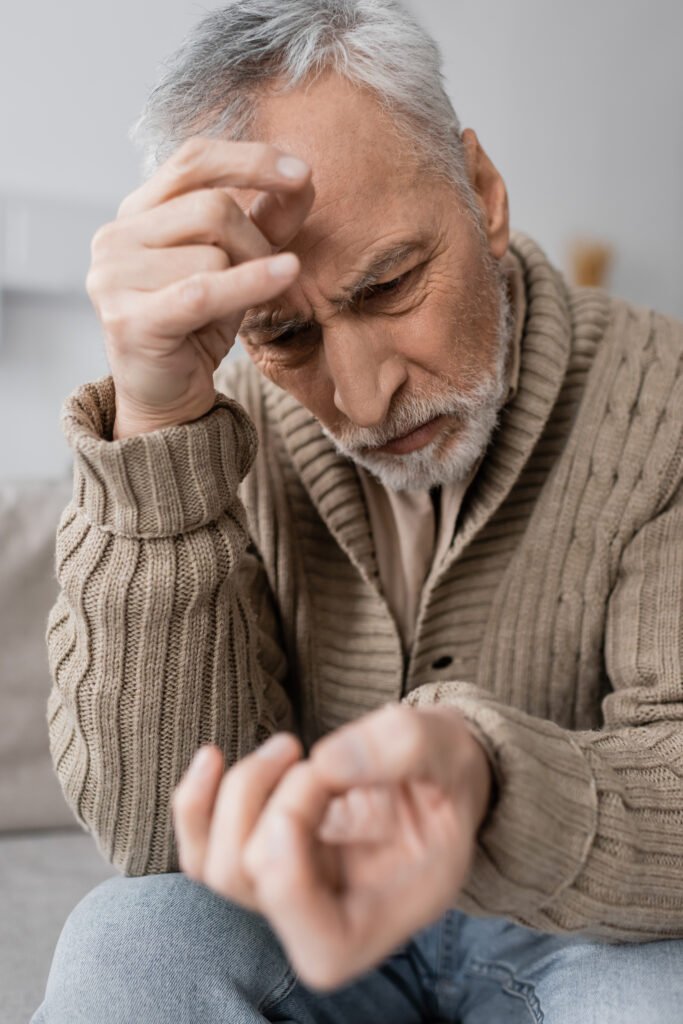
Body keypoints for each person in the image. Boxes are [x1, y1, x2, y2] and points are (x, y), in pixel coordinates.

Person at [32, 1, 683, 1021]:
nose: (365, 397)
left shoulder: (664, 397)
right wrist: (156, 429)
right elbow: (154, 841)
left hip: (584, 930)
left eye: (389, 285)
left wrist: (480, 780)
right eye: (284, 336)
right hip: (299, 929)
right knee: (125, 942)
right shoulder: (213, 421)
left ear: (481, 192)